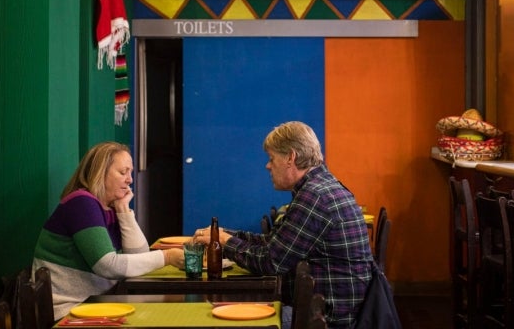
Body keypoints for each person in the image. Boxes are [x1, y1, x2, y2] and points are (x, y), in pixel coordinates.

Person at [193, 121, 373, 328]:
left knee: (220, 323)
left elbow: (272, 262)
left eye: (272, 158)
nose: (267, 166)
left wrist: (226, 242)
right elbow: (275, 243)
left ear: (290, 157)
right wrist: (225, 234)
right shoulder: (320, 186)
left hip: (326, 320)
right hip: (333, 311)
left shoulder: (314, 196)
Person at [31, 142, 185, 320]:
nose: (130, 180)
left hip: (96, 304)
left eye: (130, 172)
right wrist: (166, 257)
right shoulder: (81, 203)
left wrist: (124, 210)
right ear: (100, 172)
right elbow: (106, 265)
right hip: (67, 311)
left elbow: (139, 257)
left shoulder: (108, 207)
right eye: (122, 172)